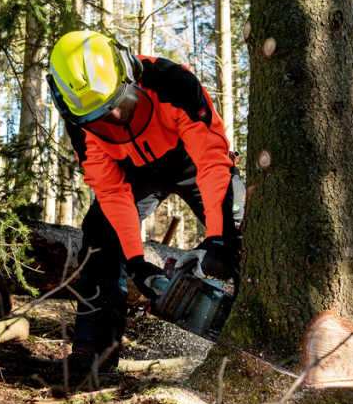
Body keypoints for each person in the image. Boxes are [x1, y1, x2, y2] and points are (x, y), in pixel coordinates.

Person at [47, 30, 244, 375]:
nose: (115, 119)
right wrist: (137, 262)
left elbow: (212, 161)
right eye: (100, 119)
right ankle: (93, 353)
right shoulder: (79, 124)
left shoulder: (172, 83)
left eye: (121, 104)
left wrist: (219, 238)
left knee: (242, 229)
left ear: (130, 72)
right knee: (99, 236)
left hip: (190, 159)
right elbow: (111, 191)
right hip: (134, 171)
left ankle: (258, 337)